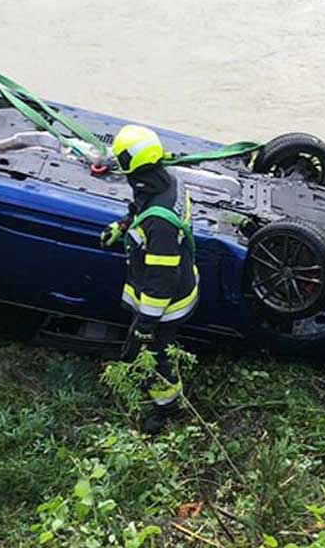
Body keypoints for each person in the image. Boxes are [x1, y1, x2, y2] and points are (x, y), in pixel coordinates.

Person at [99, 124, 199, 434]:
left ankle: (169, 408)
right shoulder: (167, 182)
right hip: (180, 281)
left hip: (166, 304)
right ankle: (130, 363)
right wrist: (123, 226)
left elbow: (161, 279)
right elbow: (141, 207)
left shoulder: (159, 223)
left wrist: (146, 323)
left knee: (154, 355)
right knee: (142, 346)